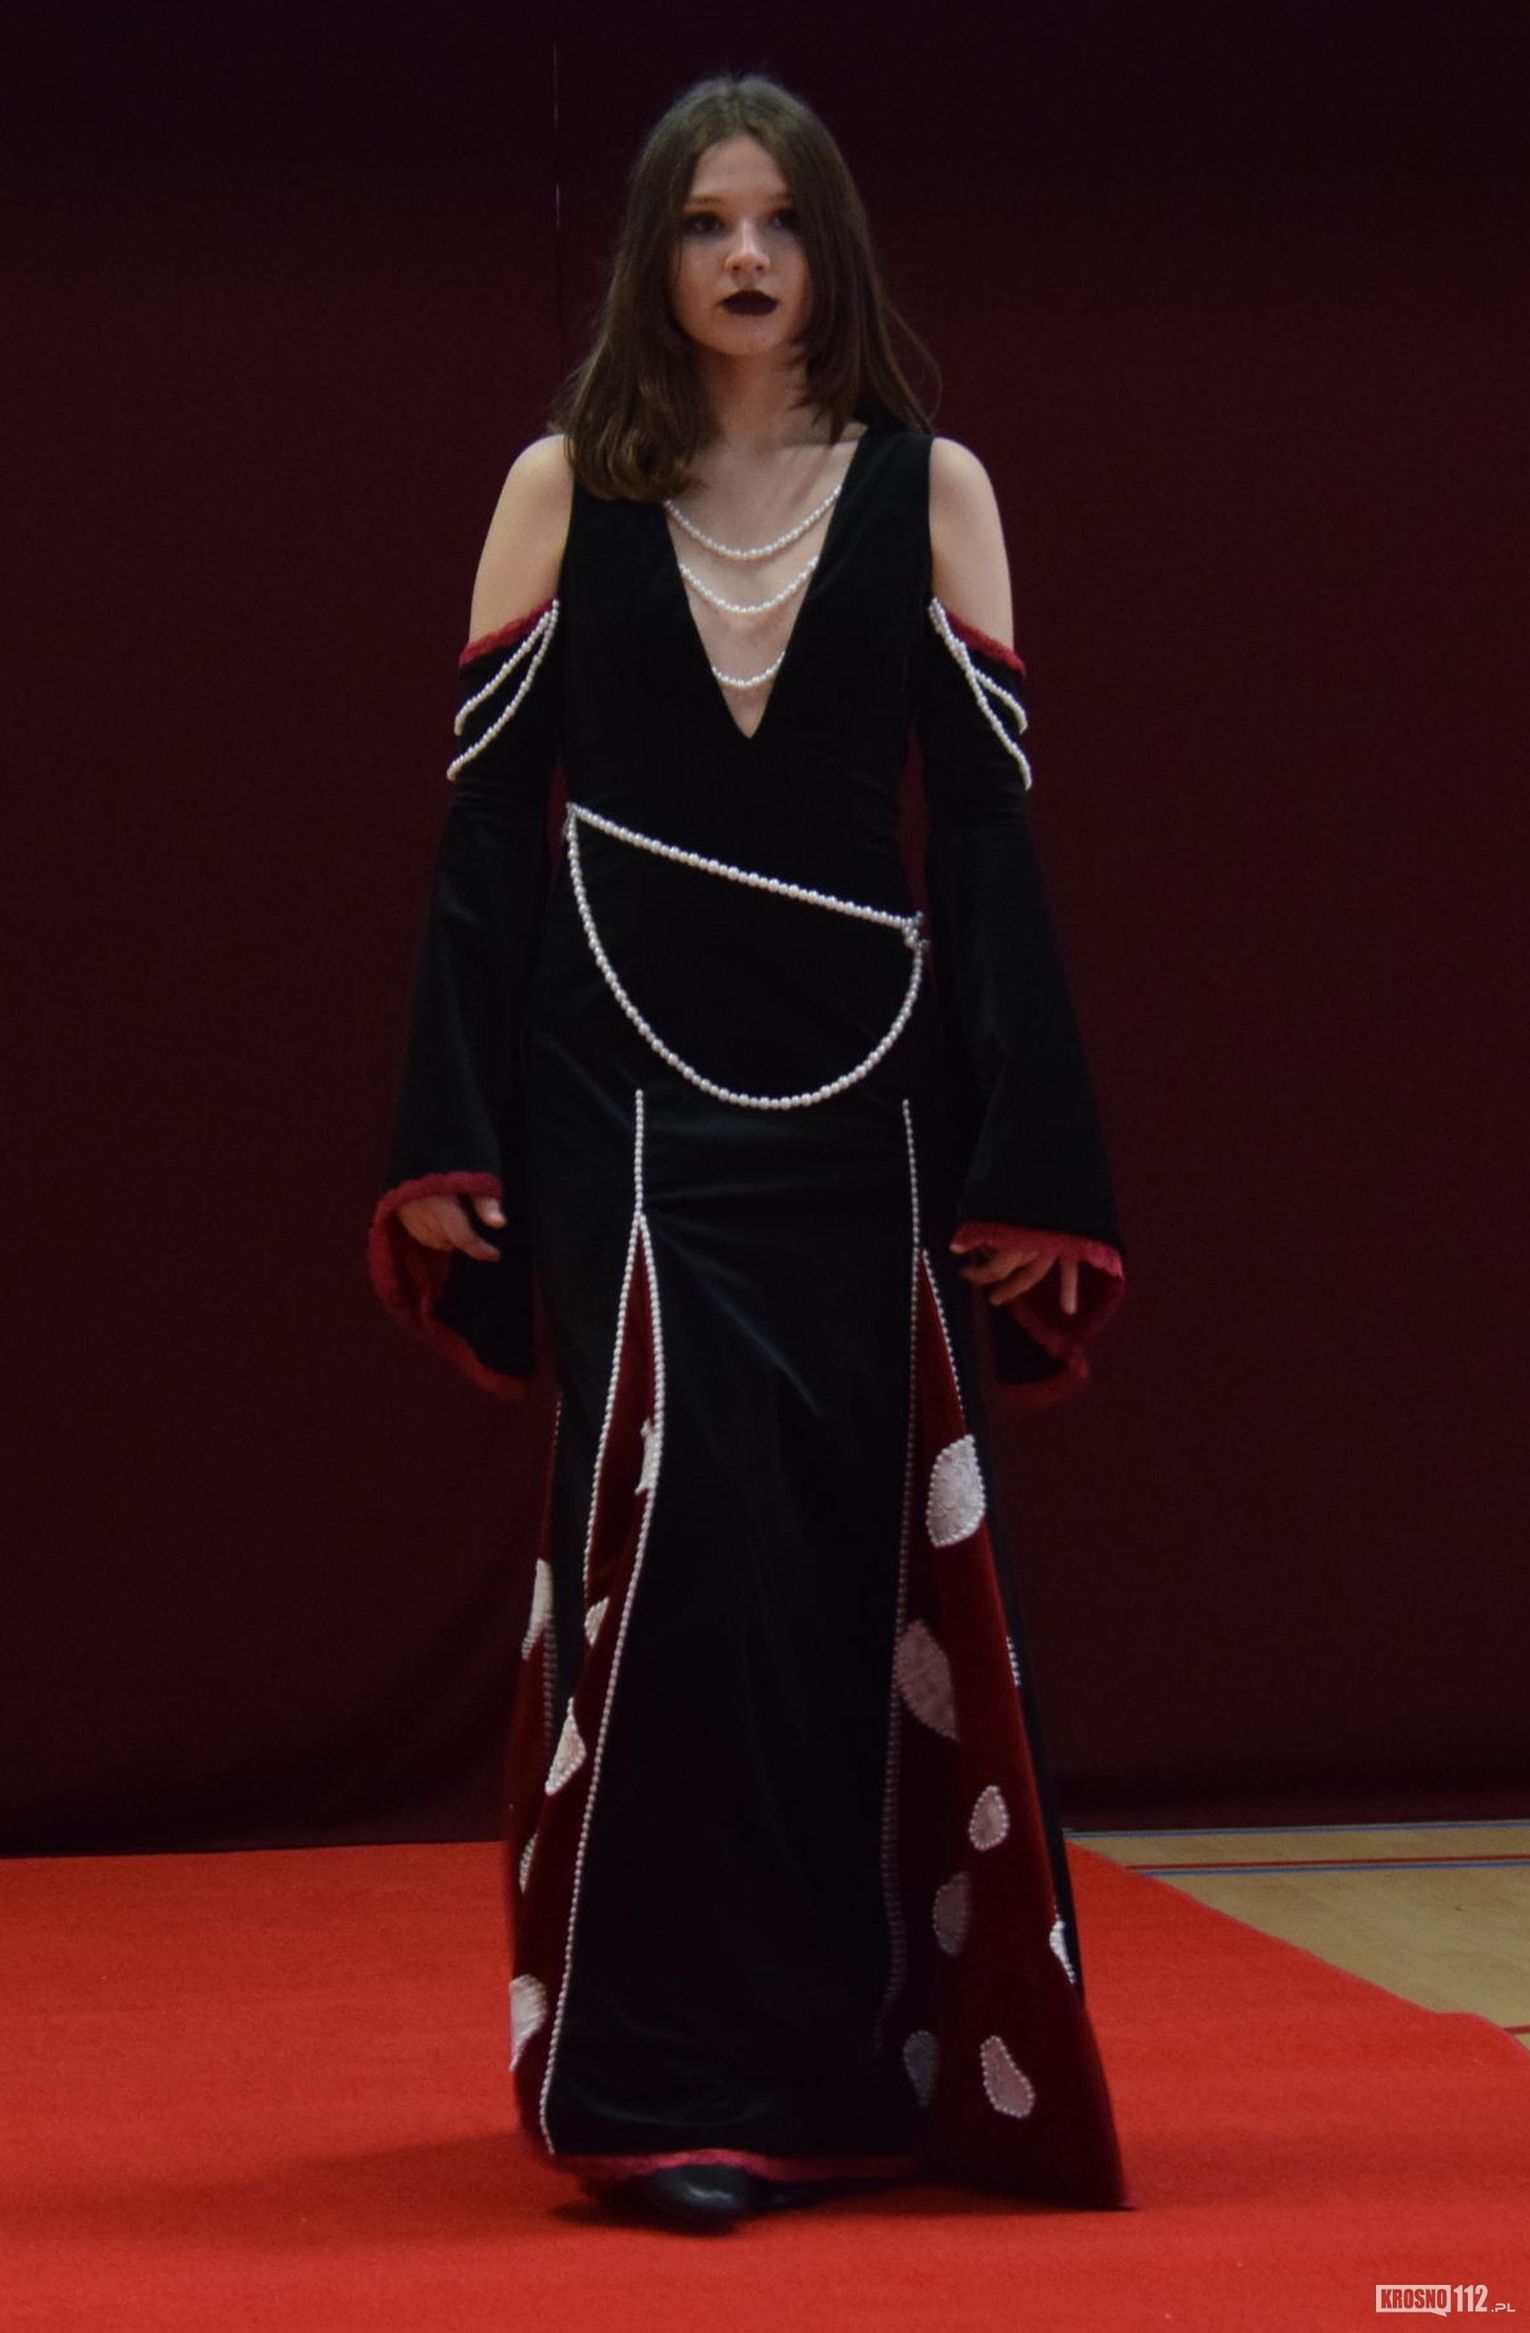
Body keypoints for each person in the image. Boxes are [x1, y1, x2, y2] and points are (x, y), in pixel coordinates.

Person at [367, 72, 1130, 2234]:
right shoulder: (562, 488)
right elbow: (481, 837)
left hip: (865, 1107)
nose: (744, 257)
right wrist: (444, 1131)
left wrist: (1031, 1163)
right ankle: (655, 2081)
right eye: (705, 222)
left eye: (779, 220)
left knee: (834, 1571)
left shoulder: (934, 492)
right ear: (653, 254)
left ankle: (834, 2063)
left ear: (831, 249)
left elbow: (989, 844)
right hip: (613, 1086)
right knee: (672, 1530)